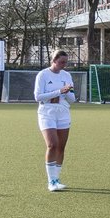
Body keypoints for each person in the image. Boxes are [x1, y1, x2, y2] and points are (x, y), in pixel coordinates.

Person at [34, 50, 77, 192]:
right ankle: (51, 181)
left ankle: (57, 179)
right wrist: (60, 91)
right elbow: (38, 96)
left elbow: (72, 99)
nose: (64, 65)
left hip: (63, 112)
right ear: (53, 60)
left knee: (61, 147)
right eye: (61, 62)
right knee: (52, 144)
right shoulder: (43, 75)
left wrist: (69, 92)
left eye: (66, 62)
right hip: (47, 112)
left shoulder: (67, 75)